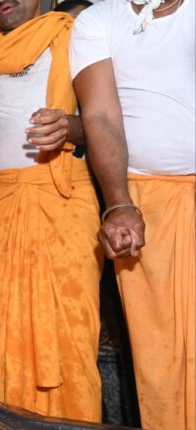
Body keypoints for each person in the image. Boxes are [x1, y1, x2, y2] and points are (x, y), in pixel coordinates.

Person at [0, 0, 103, 421]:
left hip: (62, 198)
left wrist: (70, 126)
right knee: (5, 333)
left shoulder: (74, 34)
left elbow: (106, 119)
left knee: (72, 332)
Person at [70, 0, 194, 427]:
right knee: (160, 354)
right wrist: (120, 204)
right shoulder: (98, 19)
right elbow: (100, 114)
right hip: (146, 202)